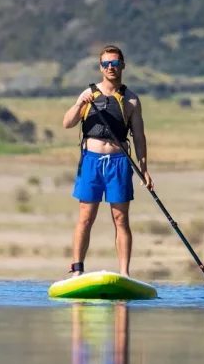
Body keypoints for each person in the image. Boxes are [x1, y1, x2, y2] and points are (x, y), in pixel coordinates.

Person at [62, 45, 153, 277]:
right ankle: (77, 271)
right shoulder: (88, 93)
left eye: (114, 63)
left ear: (123, 65)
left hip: (119, 162)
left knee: (121, 218)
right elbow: (67, 123)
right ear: (101, 67)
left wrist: (144, 168)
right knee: (85, 217)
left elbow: (139, 137)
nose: (110, 67)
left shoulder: (131, 100)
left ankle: (124, 273)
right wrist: (80, 104)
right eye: (106, 64)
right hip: (91, 162)